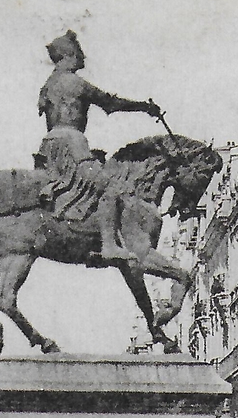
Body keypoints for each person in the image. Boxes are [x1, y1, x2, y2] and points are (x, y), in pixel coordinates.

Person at [35, 30, 162, 264]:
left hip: (49, 145)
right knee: (111, 186)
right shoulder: (74, 82)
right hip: (72, 142)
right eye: (78, 54)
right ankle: (109, 244)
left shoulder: (49, 84)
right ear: (68, 56)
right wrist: (144, 107)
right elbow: (110, 103)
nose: (83, 58)